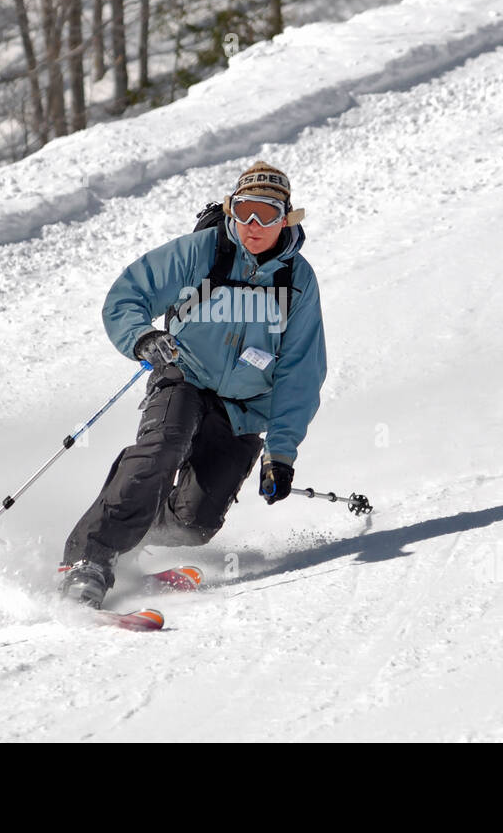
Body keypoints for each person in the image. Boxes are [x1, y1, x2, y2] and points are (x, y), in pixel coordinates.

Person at [58, 161, 328, 607]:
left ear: (287, 219)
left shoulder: (297, 281)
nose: (254, 225)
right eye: (244, 212)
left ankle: (137, 543)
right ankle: (91, 558)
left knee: (195, 522)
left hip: (243, 404)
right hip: (183, 373)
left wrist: (280, 453)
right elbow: (128, 295)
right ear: (231, 211)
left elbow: (301, 372)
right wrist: (143, 337)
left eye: (268, 214)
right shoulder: (202, 251)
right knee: (162, 450)